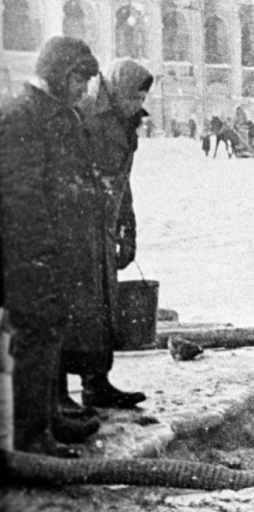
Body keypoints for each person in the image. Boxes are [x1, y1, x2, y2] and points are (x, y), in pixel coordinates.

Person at [1, 37, 102, 456]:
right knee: (35, 333)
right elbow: (20, 195)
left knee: (51, 327)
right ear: (62, 75)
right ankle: (31, 434)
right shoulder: (23, 116)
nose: (84, 89)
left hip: (52, 248)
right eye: (81, 79)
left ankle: (47, 417)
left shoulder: (55, 114)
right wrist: (37, 251)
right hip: (28, 250)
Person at [59, 58, 152, 413]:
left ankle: (98, 384)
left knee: (103, 308)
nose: (139, 103)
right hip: (75, 227)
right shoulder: (83, 115)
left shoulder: (127, 122)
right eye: (135, 95)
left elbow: (123, 181)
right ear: (117, 89)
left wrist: (128, 228)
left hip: (104, 228)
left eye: (143, 96)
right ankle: (59, 394)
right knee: (74, 308)